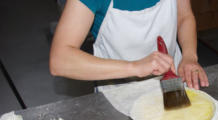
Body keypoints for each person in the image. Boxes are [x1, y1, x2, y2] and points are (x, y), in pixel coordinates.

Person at [49, 0, 209, 90]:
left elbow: (184, 16)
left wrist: (189, 56)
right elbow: (60, 60)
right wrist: (134, 67)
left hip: (173, 78)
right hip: (119, 89)